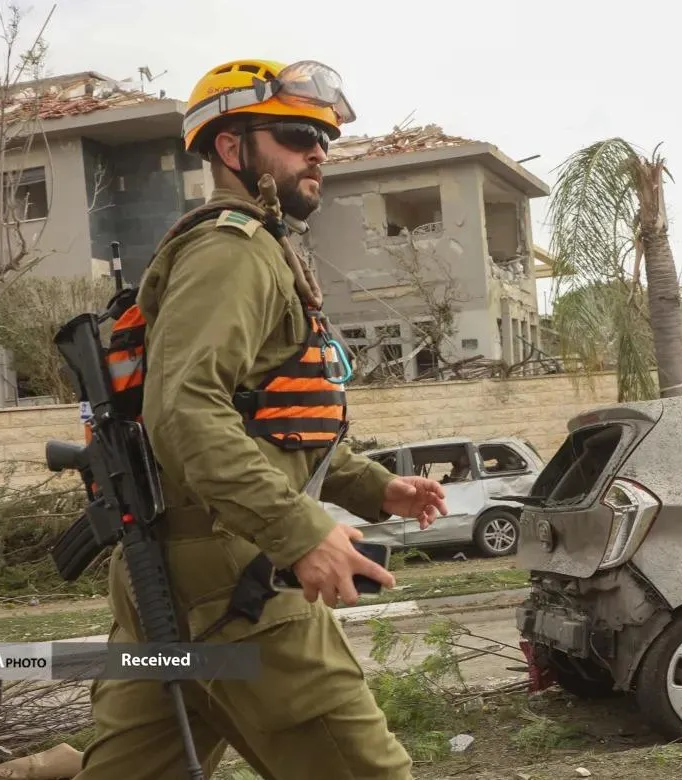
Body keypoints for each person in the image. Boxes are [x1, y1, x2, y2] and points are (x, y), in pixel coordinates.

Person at [74, 58, 447, 780]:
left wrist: (372, 486)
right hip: (235, 581)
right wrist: (300, 530)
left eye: (323, 140)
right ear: (231, 147)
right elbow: (185, 411)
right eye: (296, 136)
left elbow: (266, 421)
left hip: (168, 577)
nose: (318, 153)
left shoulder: (248, 249)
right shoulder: (232, 252)